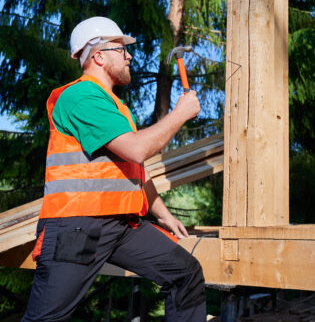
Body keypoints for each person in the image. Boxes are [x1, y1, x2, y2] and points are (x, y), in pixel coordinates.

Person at [22, 16, 205, 322]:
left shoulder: (115, 107)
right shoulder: (79, 96)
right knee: (46, 319)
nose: (129, 55)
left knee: (185, 273)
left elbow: (135, 170)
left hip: (121, 227)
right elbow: (137, 148)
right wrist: (179, 114)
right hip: (77, 227)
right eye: (121, 49)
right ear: (98, 56)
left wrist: (164, 215)